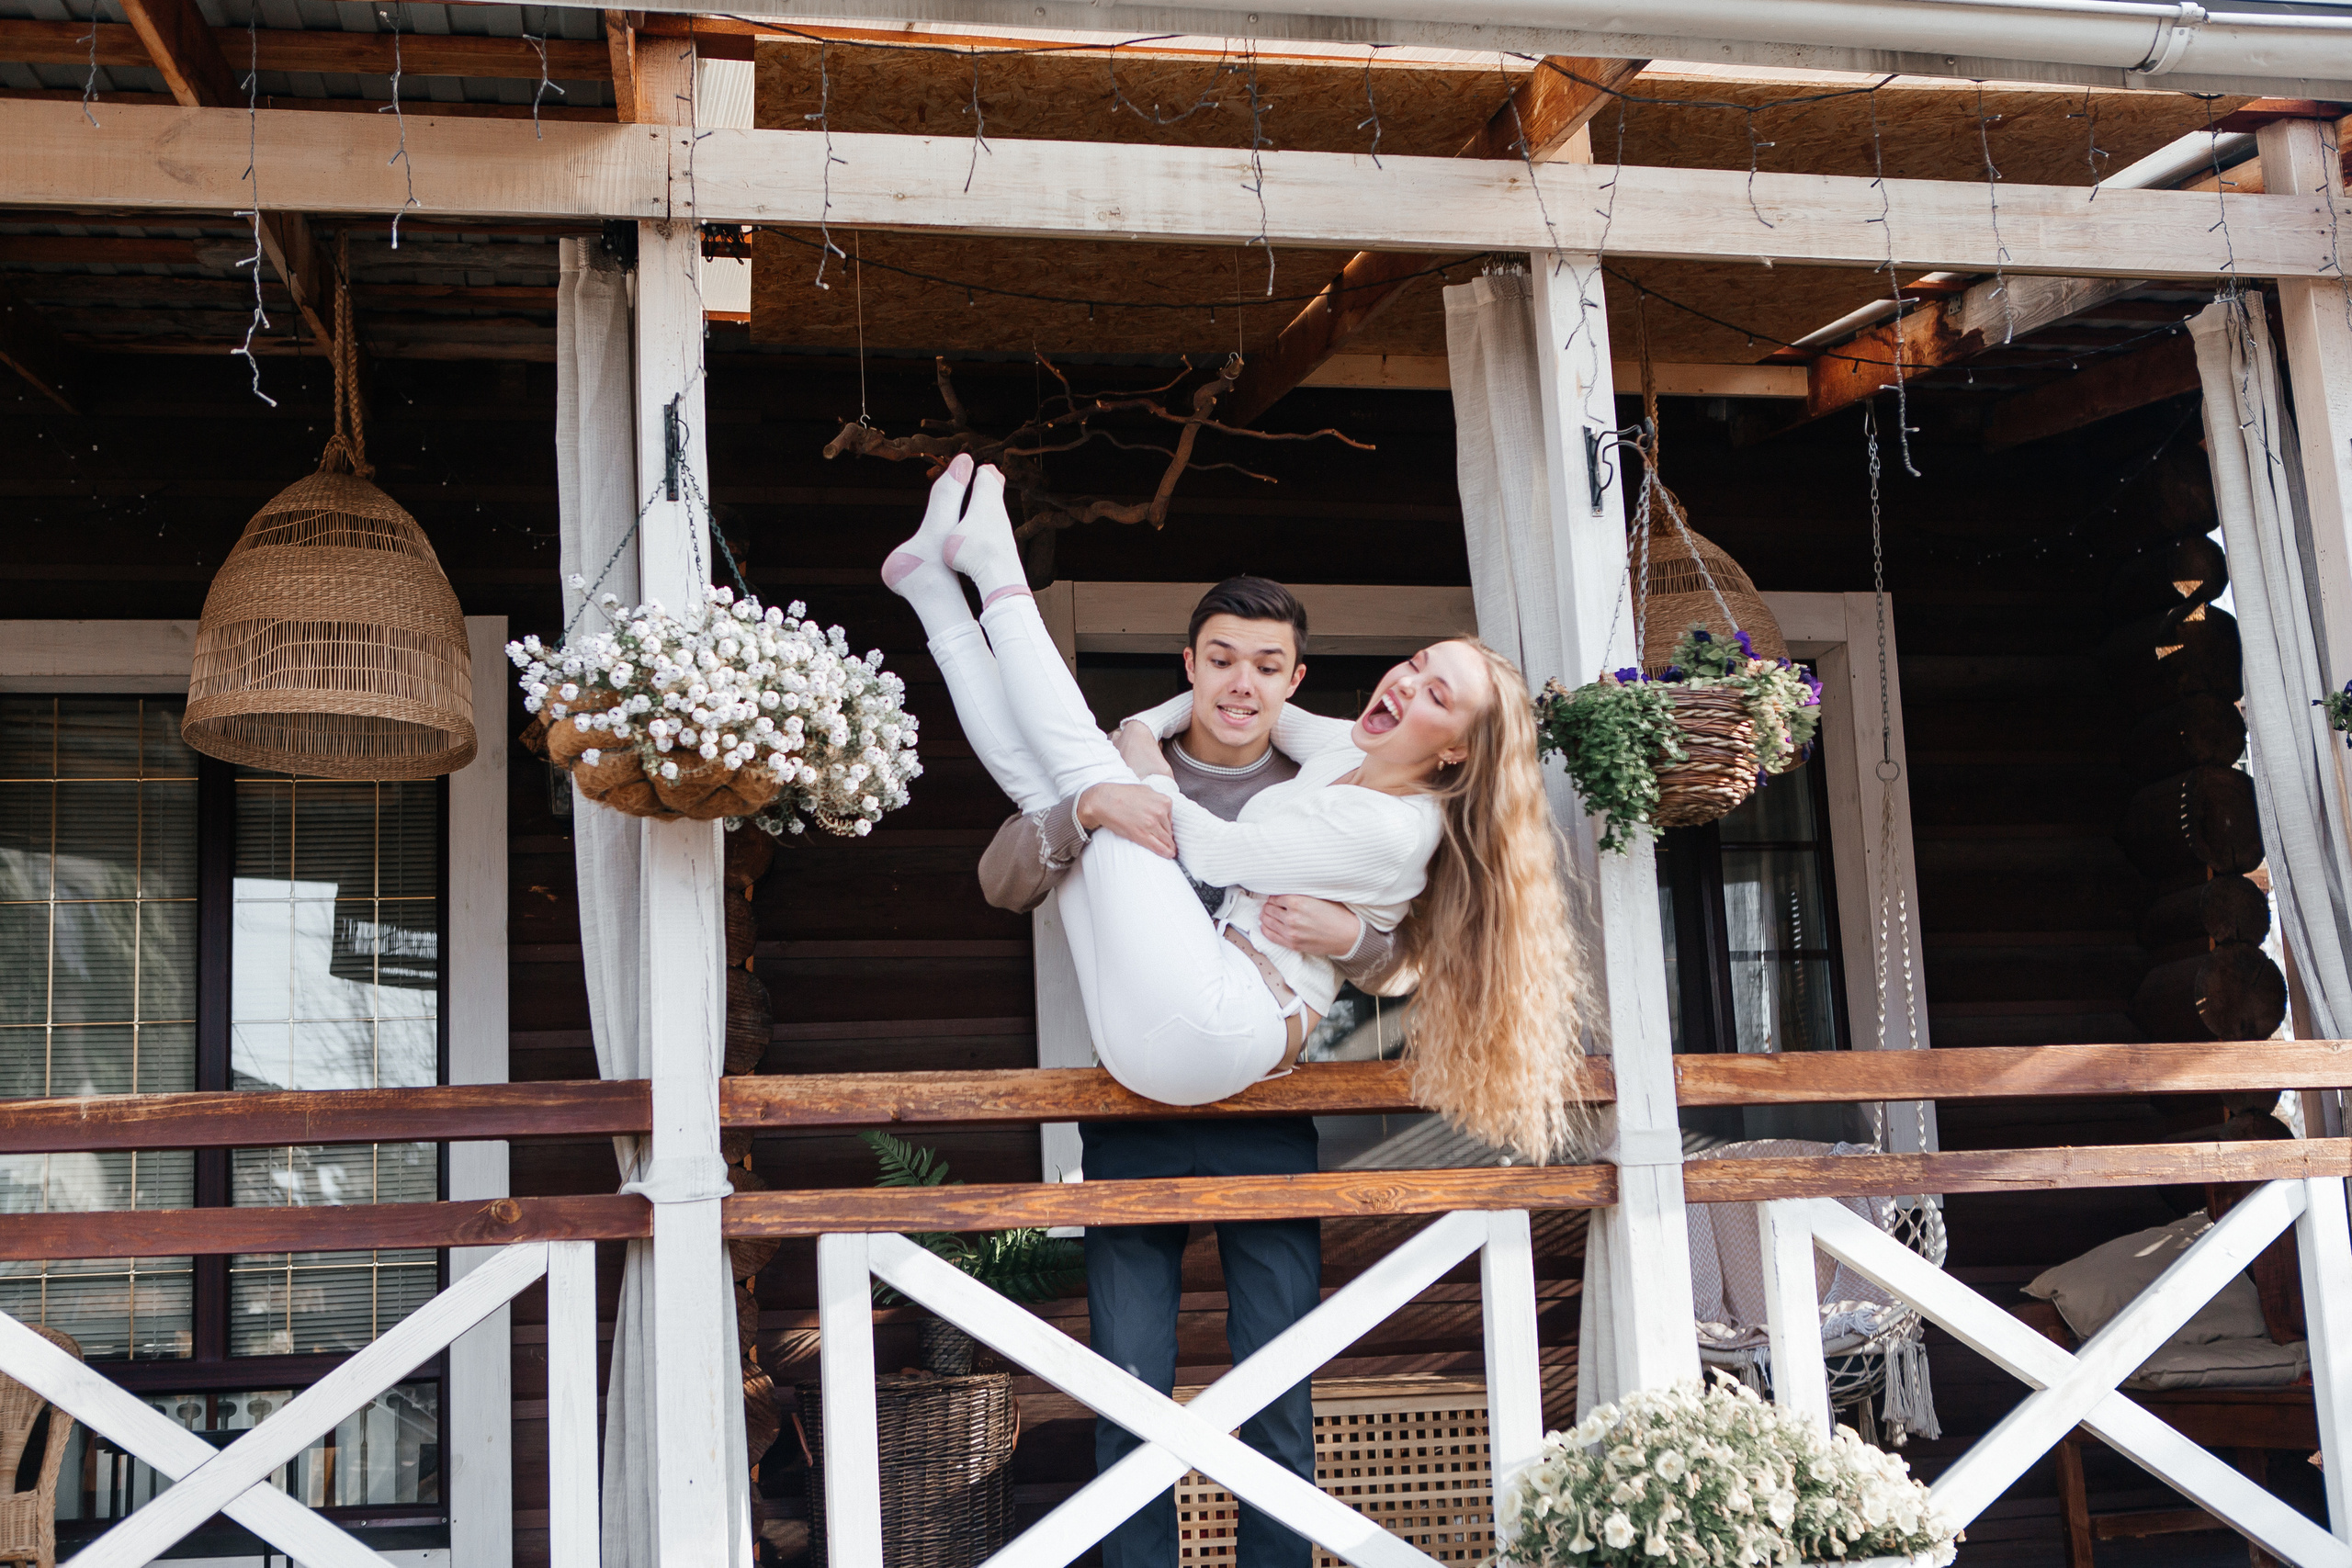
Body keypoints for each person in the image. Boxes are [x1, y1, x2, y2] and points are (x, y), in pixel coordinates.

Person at [880, 451, 1583, 1155]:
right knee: (1060, 790)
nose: (1406, 682)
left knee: (1101, 781)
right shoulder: (1346, 749)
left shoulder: (1397, 829)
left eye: (1436, 695)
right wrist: (1141, 729)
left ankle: (997, 570)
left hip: (1222, 1026)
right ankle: (932, 591)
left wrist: (1141, 773)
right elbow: (1251, 704)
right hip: (1144, 1037)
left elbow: (1217, 853)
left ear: (1457, 748)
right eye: (1417, 663)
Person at [973, 573, 1392, 1568]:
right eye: (1222, 659)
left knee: (1280, 1390)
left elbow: (1401, 955)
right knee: (1128, 1391)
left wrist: (1349, 938)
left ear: (1295, 680)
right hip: (1134, 1117)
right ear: (1190, 665)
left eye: (1267, 665)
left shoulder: (1325, 792)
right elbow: (1000, 880)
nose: (1242, 683)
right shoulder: (1122, 767)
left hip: (1268, 1117)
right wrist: (1091, 808)